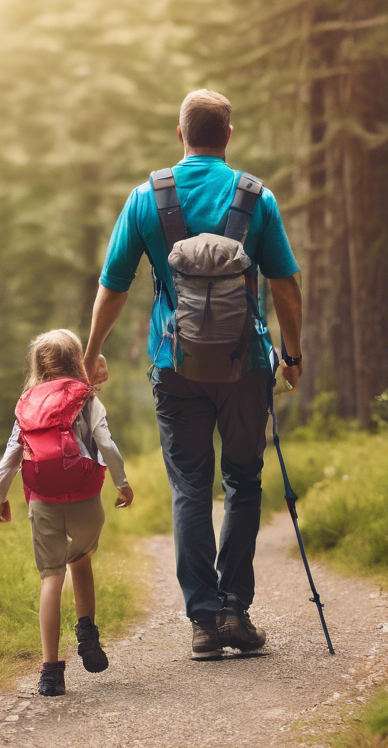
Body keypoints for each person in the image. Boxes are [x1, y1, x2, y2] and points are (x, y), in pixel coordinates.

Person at [82, 89, 303, 660]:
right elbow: (284, 285)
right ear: (227, 135)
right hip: (246, 364)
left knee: (189, 488)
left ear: (180, 133)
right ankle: (236, 611)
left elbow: (115, 286)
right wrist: (292, 354)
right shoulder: (258, 197)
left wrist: (91, 353)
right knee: (243, 482)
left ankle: (203, 622)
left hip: (173, 363)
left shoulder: (146, 198)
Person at [0, 329, 135, 696]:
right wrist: (121, 483)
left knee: (51, 578)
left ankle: (51, 671)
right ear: (77, 361)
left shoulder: (27, 402)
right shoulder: (86, 399)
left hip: (42, 500)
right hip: (85, 497)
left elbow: (11, 455)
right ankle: (87, 632)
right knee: (81, 560)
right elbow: (106, 443)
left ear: (37, 366)